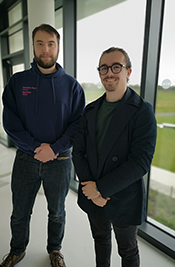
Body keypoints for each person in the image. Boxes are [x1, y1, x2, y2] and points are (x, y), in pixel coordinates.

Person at [0, 24, 85, 267]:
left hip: (59, 162)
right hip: (26, 159)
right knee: (19, 212)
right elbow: (11, 121)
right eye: (40, 43)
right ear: (33, 46)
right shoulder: (18, 82)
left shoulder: (72, 86)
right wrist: (36, 147)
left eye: (51, 44)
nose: (45, 49)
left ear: (58, 47)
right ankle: (17, 250)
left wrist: (54, 148)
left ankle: (55, 250)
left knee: (57, 212)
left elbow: (78, 124)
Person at [72, 47, 157, 267]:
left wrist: (101, 189)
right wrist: (91, 189)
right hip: (92, 193)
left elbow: (140, 162)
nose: (109, 73)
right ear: (99, 73)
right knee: (100, 240)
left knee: (127, 250)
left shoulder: (142, 111)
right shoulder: (90, 110)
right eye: (104, 68)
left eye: (116, 67)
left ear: (128, 71)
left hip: (123, 195)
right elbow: (78, 151)